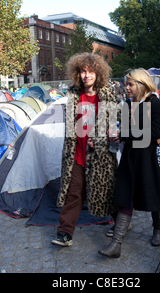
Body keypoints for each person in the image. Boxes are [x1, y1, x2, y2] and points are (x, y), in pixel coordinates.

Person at [98, 68, 160, 258]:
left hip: (149, 159)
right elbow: (128, 133)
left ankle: (158, 229)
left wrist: (123, 134)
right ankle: (116, 244)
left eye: (130, 84)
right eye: (125, 84)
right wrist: (117, 137)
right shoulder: (128, 105)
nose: (126, 87)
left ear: (142, 84)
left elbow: (154, 133)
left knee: (152, 195)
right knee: (125, 197)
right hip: (130, 158)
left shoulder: (156, 104)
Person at [51, 52, 119, 247]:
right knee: (74, 193)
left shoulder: (107, 93)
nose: (86, 75)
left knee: (106, 190)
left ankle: (121, 221)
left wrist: (100, 139)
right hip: (77, 153)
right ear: (78, 73)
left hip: (101, 155)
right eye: (83, 71)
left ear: (98, 73)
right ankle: (65, 233)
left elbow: (113, 126)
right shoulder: (73, 94)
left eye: (90, 71)